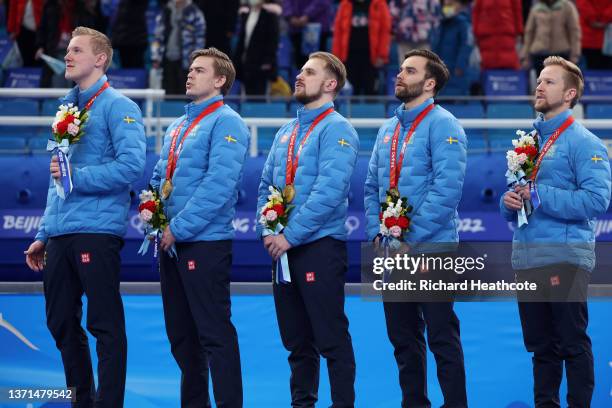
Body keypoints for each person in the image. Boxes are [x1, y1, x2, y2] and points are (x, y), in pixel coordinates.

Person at [24, 26, 146, 407]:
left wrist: (78, 176)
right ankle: (82, 399)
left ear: (100, 59)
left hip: (96, 229)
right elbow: (55, 180)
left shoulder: (119, 106)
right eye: (68, 50)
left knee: (104, 324)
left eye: (76, 50)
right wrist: (44, 232)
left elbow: (131, 166)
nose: (68, 56)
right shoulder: (67, 108)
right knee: (60, 320)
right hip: (60, 232)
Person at [501, 56, 611, 407]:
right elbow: (518, 197)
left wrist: (538, 194)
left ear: (570, 94)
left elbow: (597, 201)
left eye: (549, 81)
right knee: (541, 348)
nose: (539, 85)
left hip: (565, 257)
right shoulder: (527, 141)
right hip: (528, 255)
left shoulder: (585, 143)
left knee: (571, 343)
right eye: (539, 79)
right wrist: (509, 202)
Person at [363, 49, 468, 407]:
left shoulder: (445, 124)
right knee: (403, 338)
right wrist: (378, 233)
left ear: (429, 83)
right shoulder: (388, 128)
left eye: (409, 70)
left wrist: (409, 239)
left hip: (432, 250)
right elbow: (370, 187)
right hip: (394, 253)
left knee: (441, 335)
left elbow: (447, 189)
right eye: (400, 69)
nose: (399, 74)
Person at [256, 51, 358, 407]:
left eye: (309, 72)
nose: (299, 76)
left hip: (318, 246)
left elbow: (329, 192)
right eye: (300, 70)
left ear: (330, 84)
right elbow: (266, 185)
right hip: (282, 248)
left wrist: (289, 235)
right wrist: (268, 229)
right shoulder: (287, 131)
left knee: (330, 339)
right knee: (297, 342)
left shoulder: (339, 129)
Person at [150, 47, 248, 407]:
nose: (189, 74)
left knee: (214, 334)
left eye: (200, 70)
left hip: (205, 243)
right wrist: (152, 209)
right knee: (181, 338)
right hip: (171, 241)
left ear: (220, 80)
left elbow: (219, 185)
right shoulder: (178, 125)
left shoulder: (228, 122)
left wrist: (180, 227)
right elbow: (161, 175)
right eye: (190, 69)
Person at [332, 0, 391, 95]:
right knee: (352, 93)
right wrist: (336, 58)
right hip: (349, 57)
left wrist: (382, 55)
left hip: (372, 58)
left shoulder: (379, 4)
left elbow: (384, 32)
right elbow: (338, 32)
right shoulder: (345, 4)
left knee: (371, 92)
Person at [151, 0, 206, 95]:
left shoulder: (195, 12)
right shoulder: (166, 11)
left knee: (184, 93)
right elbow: (157, 37)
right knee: (168, 93)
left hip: (186, 61)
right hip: (167, 59)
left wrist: (196, 58)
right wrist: (156, 57)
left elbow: (200, 38)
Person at [234, 0, 281, 96]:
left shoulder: (270, 15)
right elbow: (242, 40)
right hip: (246, 64)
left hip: (262, 66)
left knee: (260, 98)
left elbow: (273, 40)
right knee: (246, 97)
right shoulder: (246, 14)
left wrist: (268, 61)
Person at [522, 0, 581, 76]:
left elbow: (574, 31)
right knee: (542, 84)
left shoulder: (567, 7)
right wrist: (525, 56)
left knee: (559, 84)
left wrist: (575, 55)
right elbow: (529, 33)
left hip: (561, 55)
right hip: (539, 55)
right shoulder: (536, 8)